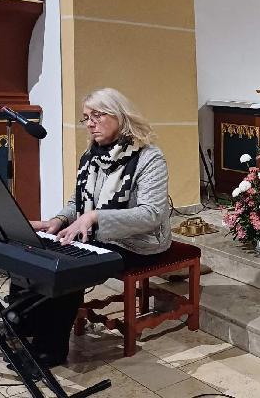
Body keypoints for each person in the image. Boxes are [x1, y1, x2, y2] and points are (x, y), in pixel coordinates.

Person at [14, 87, 171, 367]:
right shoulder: (91, 155)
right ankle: (24, 326)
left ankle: (49, 350)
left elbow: (152, 215)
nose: (90, 124)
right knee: (34, 248)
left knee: (67, 267)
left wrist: (95, 217)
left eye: (97, 115)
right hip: (99, 235)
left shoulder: (149, 158)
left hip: (139, 242)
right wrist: (59, 220)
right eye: (86, 117)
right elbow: (77, 201)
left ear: (119, 116)